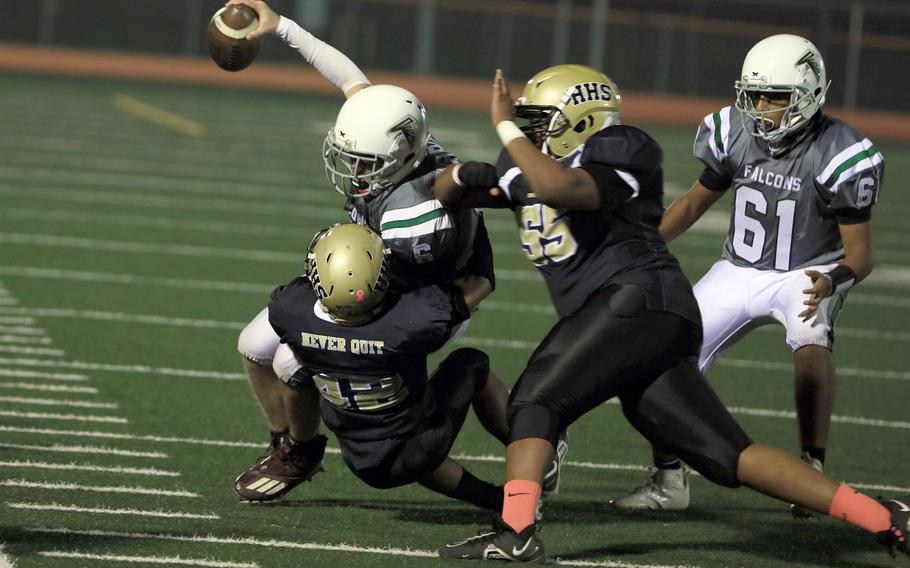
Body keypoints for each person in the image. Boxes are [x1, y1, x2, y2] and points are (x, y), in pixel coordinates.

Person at [431, 64, 907, 562]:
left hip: (638, 300)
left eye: (538, 118)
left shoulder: (621, 147)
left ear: (580, 118)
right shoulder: (529, 160)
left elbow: (558, 188)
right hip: (638, 318)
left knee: (535, 399)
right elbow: (450, 193)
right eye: (523, 119)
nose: (526, 128)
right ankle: (882, 516)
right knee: (729, 457)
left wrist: (505, 128)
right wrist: (463, 175)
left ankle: (516, 532)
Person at [226, 0, 566, 503]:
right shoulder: (400, 142)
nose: (352, 172)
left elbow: (449, 194)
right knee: (255, 347)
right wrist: (284, 26)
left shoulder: (415, 214)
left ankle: (535, 451)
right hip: (373, 278)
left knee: (292, 364)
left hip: (421, 301)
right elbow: (350, 78)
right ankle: (291, 446)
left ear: (401, 156)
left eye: (362, 163)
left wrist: (475, 181)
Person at [611, 34, 883, 518]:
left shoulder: (843, 153)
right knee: (660, 353)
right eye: (754, 94)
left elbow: (861, 254)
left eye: (774, 96)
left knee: (811, 334)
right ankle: (670, 477)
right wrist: (641, 246)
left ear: (808, 93)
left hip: (807, 269)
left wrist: (834, 280)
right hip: (736, 267)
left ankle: (812, 466)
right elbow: (696, 200)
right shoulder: (732, 129)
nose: (760, 106)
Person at [236, 223, 511, 510]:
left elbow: (294, 300)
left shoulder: (289, 310)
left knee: (291, 366)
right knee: (469, 362)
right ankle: (528, 445)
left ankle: (299, 446)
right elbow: (481, 284)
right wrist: (474, 227)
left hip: (360, 457)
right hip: (419, 444)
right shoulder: (414, 321)